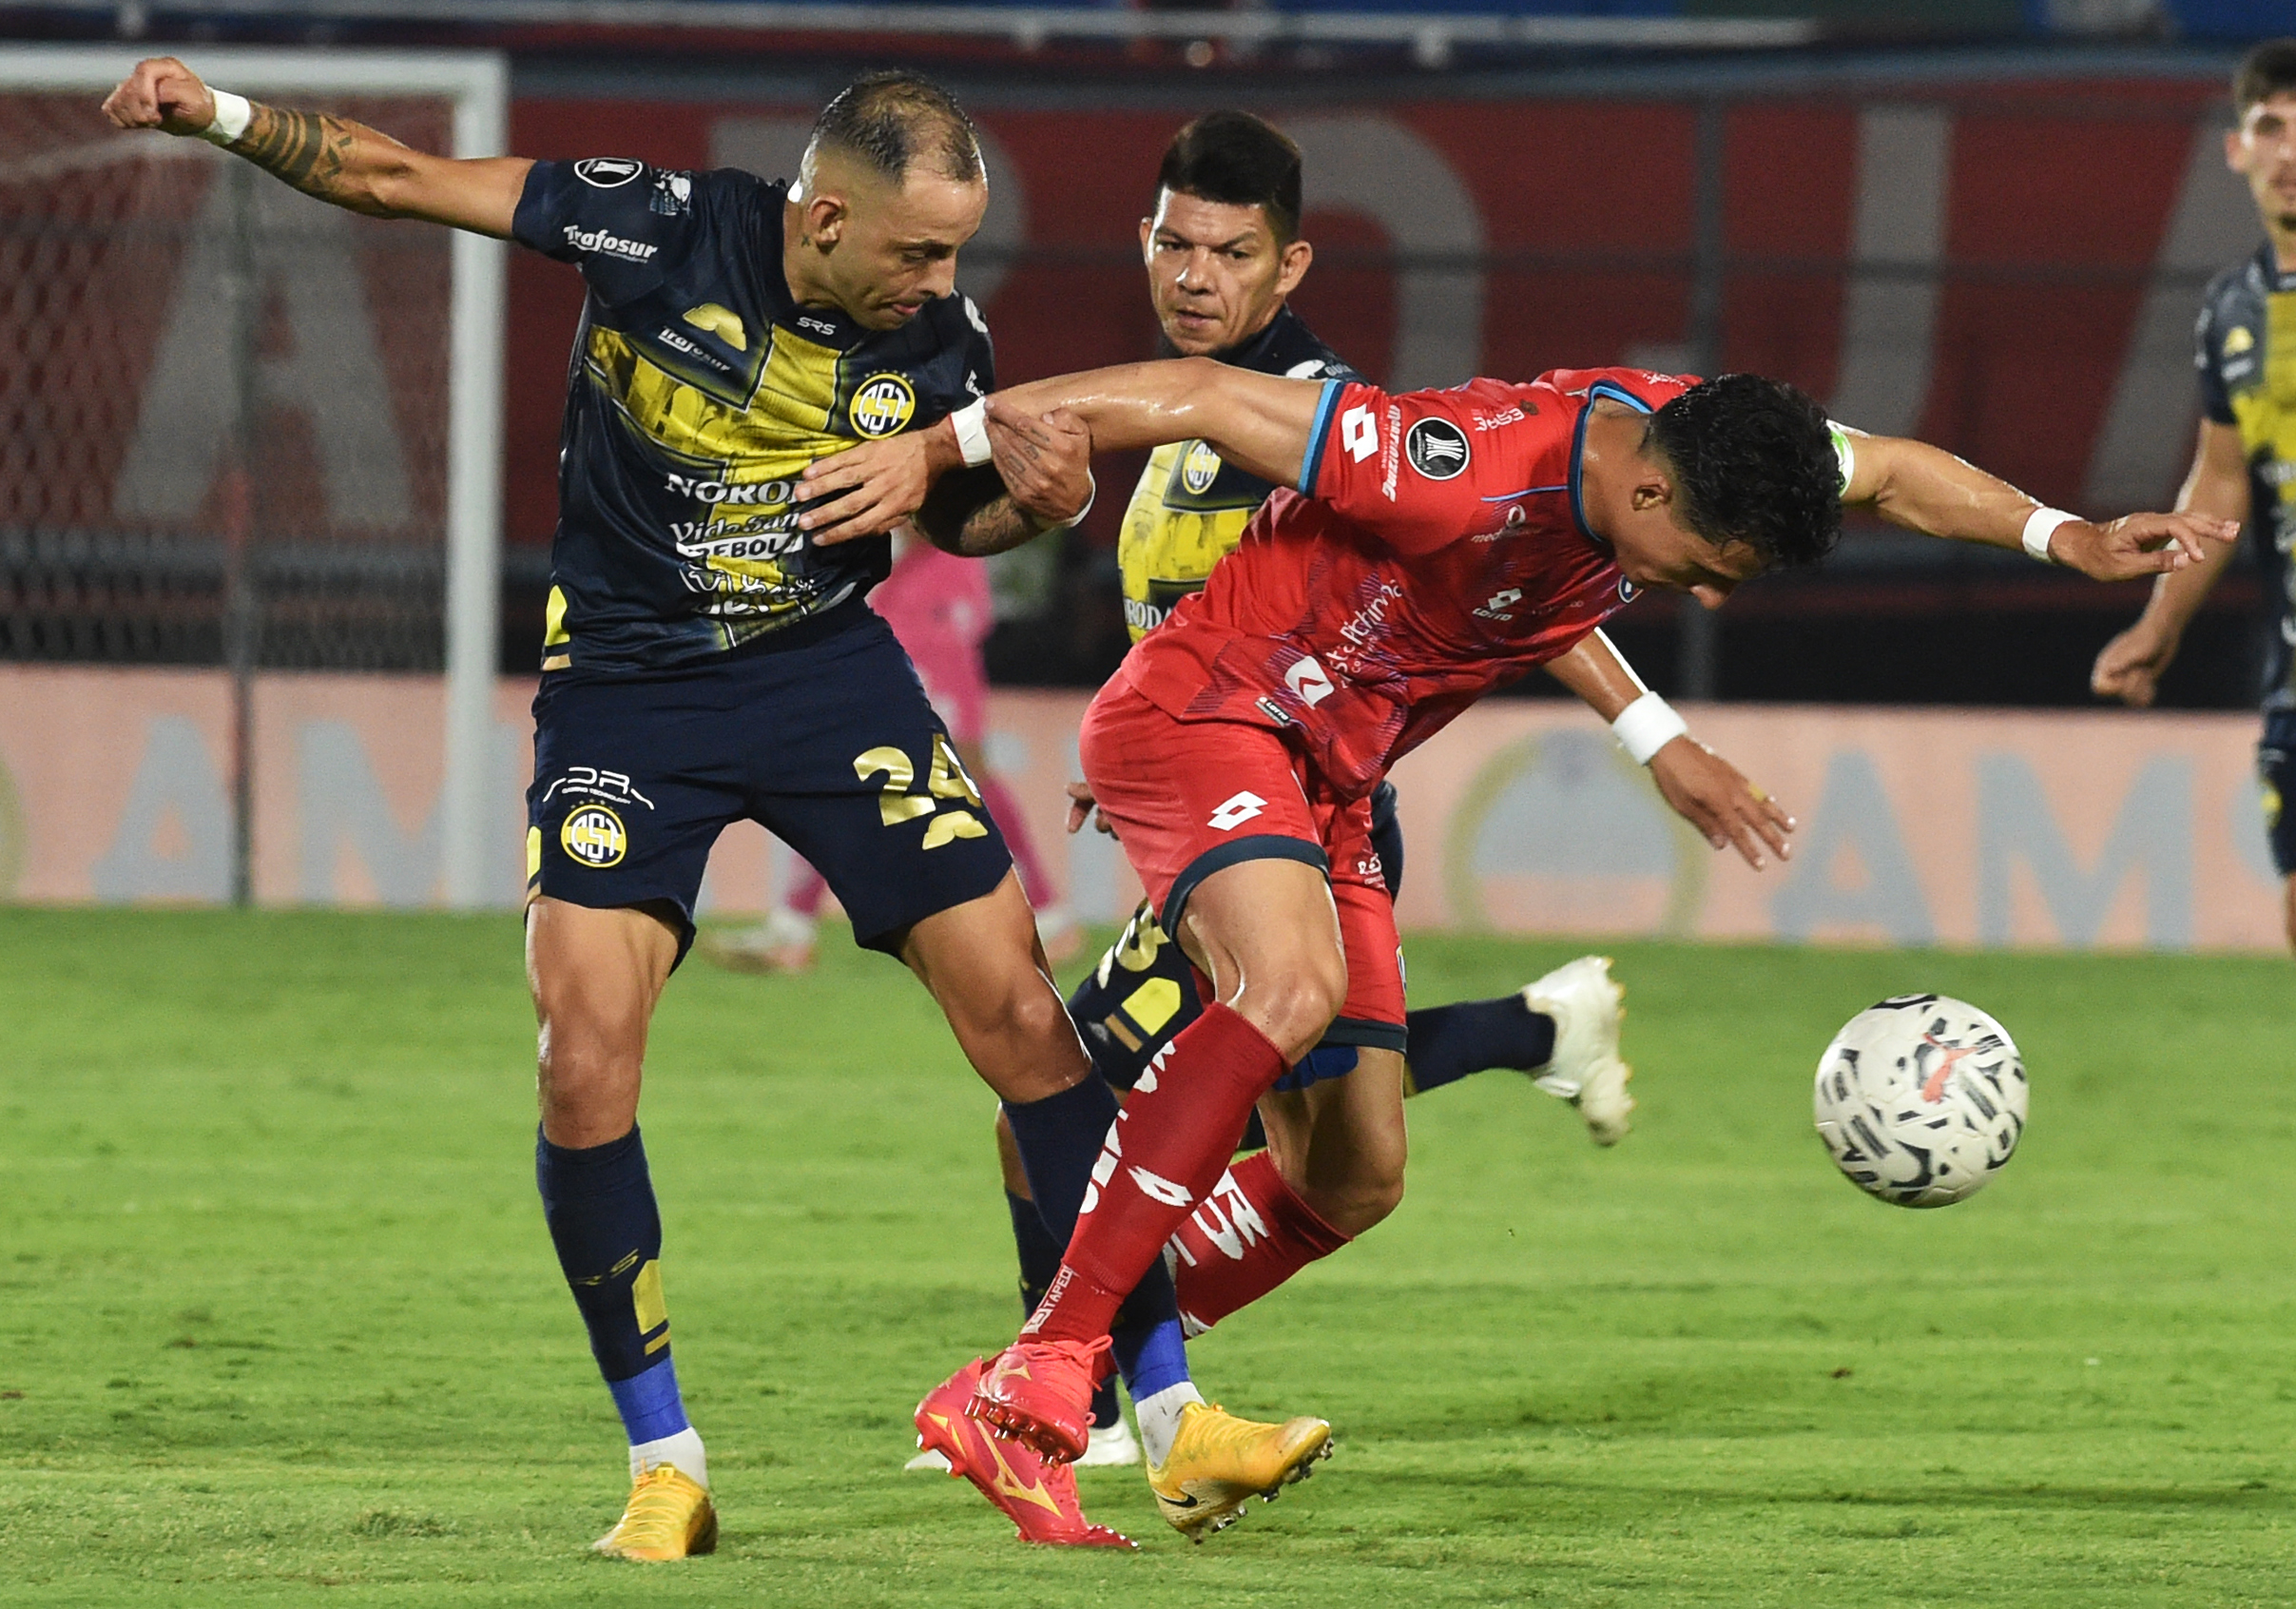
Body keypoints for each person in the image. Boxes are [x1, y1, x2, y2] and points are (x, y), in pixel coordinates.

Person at [801, 344, 2233, 1466]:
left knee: (1352, 1174)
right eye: (1704, 570)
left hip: (1328, 780)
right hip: (1217, 713)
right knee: (1283, 991)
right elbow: (1186, 398)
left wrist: (2063, 536)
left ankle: (1040, 1371)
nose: (1704, 598)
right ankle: (1059, 1358)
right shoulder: (1452, 465)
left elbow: (1894, 475)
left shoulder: (1696, 434)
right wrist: (937, 446)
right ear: (1654, 499)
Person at [101, 59, 1145, 1555]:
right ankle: (666, 1465)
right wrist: (216, 116)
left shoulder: (940, 342)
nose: (943, 277)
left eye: (955, 249)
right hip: (627, 696)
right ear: (826, 213)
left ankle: (1145, 1409)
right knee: (581, 1058)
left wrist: (1029, 509)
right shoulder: (648, 228)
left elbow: (955, 516)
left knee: (1027, 1019)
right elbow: (398, 178)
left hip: (825, 682)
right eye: (919, 247)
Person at [922, 110, 1796, 1543]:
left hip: (1291, 779)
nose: (1195, 275)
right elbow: (1227, 599)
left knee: (1134, 1119)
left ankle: (1077, 1387)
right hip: (1225, 763)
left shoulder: (1303, 415)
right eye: (1173, 243)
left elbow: (1505, 581)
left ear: (1290, 265)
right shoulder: (1187, 405)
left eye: (1231, 252)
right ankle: (1120, 1404)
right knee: (1270, 1133)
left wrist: (1650, 732)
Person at [2093, 39, 2296, 1270]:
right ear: (2236, 150)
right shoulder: (2229, 310)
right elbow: (2220, 479)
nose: (2288, 149)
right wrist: (2156, 626)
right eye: (2267, 127)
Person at [700, 527, 1083, 975]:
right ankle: (791, 927)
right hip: (899, 607)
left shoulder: (938, 494)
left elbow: (929, 503)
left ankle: (1050, 917)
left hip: (936, 613)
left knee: (962, 766)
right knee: (844, 765)